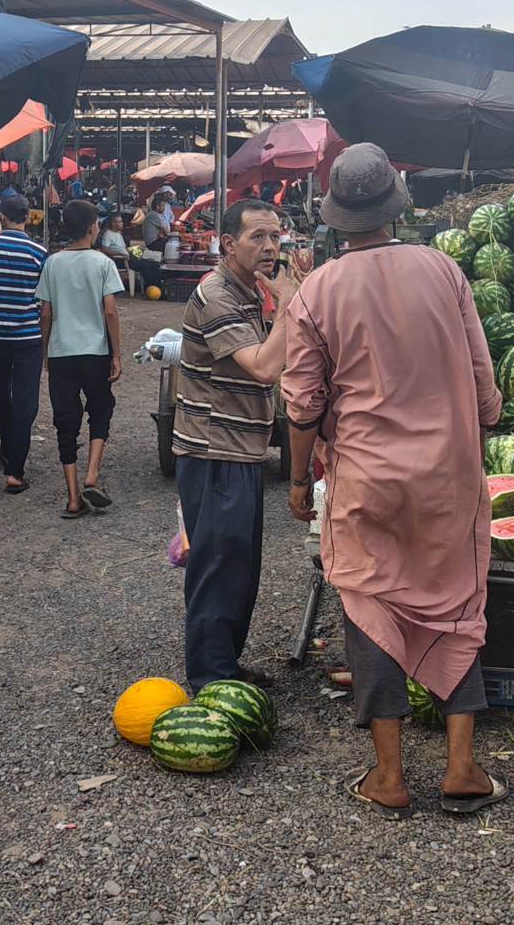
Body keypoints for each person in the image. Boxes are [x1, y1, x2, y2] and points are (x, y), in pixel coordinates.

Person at [281, 143, 506, 818]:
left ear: (336, 216)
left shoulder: (317, 288)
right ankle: (462, 765)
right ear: (394, 206)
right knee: (458, 605)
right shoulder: (444, 270)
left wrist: (298, 480)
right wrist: (476, 429)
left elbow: (302, 402)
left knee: (370, 603)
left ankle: (388, 775)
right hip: (449, 474)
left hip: (367, 475)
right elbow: (482, 382)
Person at [172, 197, 304, 693]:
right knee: (218, 566)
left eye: (275, 237)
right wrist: (293, 305)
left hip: (241, 449)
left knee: (241, 568)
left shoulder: (248, 291)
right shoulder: (216, 295)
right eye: (258, 238)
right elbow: (267, 367)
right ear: (228, 244)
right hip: (214, 451)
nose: (271, 247)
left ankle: (225, 665)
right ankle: (210, 680)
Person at [36, 200, 127, 518]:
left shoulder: (52, 263)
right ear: (92, 227)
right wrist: (116, 353)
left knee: (66, 422)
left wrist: (46, 349)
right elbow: (111, 311)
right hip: (95, 351)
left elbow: (45, 312)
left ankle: (73, 498)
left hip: (62, 353)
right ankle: (92, 476)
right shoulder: (103, 263)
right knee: (101, 409)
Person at [0, 195, 49, 493]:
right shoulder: (39, 252)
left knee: (1, 392)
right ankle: (15, 469)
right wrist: (47, 339)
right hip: (28, 337)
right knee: (26, 398)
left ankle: (6, 447)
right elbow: (45, 303)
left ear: (1, 217)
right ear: (27, 218)